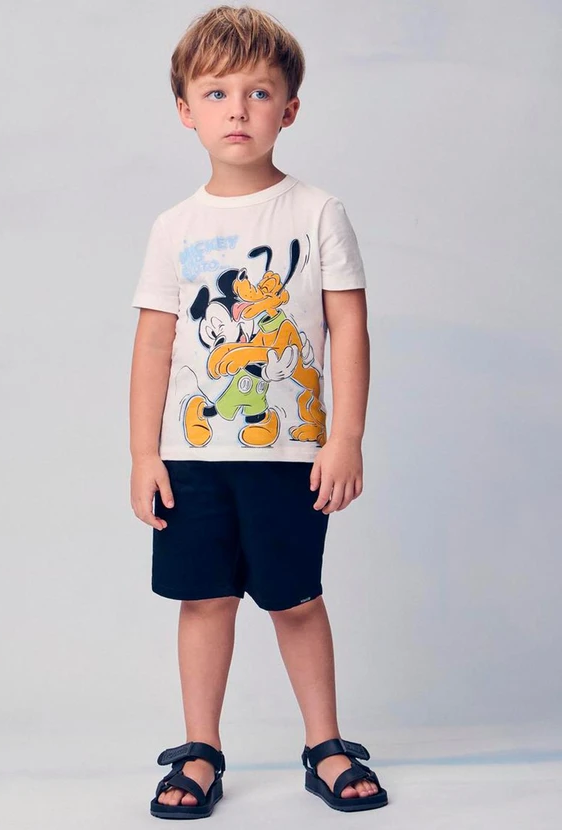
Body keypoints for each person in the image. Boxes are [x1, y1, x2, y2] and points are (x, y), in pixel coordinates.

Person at [129, 4, 388, 820]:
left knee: (295, 599)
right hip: (193, 458)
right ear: (185, 110)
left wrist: (345, 437)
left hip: (291, 455)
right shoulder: (174, 227)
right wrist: (143, 454)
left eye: (258, 92)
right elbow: (153, 345)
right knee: (203, 600)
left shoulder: (317, 213)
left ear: (290, 108)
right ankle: (200, 749)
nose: (236, 110)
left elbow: (349, 326)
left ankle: (325, 744)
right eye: (215, 93)